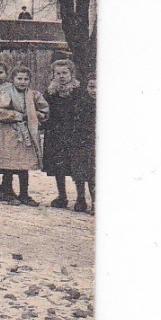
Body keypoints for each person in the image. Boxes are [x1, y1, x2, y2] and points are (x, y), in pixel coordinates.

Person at [43, 59, 94, 213]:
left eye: (65, 73)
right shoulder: (50, 92)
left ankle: (81, 198)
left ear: (72, 74)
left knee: (77, 167)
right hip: (55, 134)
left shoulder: (79, 92)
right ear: (53, 75)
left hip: (74, 134)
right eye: (57, 73)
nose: (61, 76)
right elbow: (44, 110)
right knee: (58, 166)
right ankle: (62, 196)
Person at [0, 66, 46, 206]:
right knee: (10, 165)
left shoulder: (34, 94)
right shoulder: (6, 93)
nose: (22, 82)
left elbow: (44, 110)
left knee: (24, 165)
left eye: (26, 79)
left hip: (27, 135)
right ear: (13, 79)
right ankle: (7, 192)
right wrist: (19, 115)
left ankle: (24, 193)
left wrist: (38, 115)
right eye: (19, 78)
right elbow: (1, 112)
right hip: (10, 133)